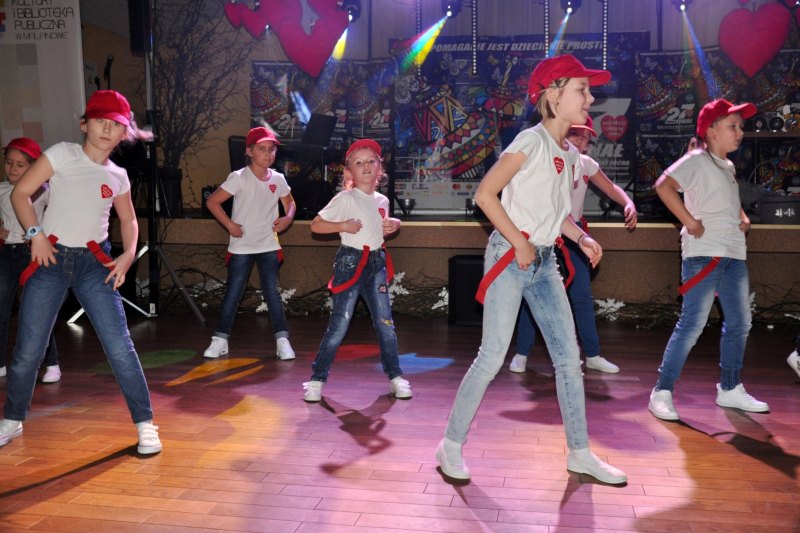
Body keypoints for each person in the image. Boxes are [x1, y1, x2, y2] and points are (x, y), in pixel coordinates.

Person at [436, 55, 627, 485]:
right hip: (510, 255)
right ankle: (450, 444)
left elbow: (557, 215)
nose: (590, 98)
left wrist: (581, 237)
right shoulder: (531, 141)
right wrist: (520, 242)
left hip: (544, 261)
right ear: (554, 95)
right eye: (582, 90)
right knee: (492, 357)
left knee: (569, 359)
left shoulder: (570, 154)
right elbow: (485, 195)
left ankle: (580, 453)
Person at [0, 90, 162, 454]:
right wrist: (35, 235)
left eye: (115, 124)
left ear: (124, 133)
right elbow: (21, 193)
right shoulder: (62, 153)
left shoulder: (118, 175)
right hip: (51, 259)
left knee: (120, 346)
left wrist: (128, 254)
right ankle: (12, 419)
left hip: (95, 265)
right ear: (84, 124)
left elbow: (129, 220)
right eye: (99, 121)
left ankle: (145, 423)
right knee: (29, 349)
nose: (106, 129)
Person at [647, 99, 769, 421]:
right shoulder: (696, 159)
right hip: (704, 255)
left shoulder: (727, 166)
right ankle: (662, 391)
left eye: (741, 127)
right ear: (711, 131)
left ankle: (729, 387)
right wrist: (689, 221)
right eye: (733, 126)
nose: (740, 132)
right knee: (692, 325)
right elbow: (663, 186)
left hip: (733, 255)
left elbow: (724, 200)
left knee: (740, 323)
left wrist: (743, 216)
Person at [509, 117, 637, 375]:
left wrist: (628, 202)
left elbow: (610, 187)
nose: (581, 141)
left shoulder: (585, 163)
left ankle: (593, 354)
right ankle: (522, 352)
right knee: (534, 295)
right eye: (576, 134)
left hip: (574, 234)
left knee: (581, 295)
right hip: (545, 230)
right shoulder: (548, 156)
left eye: (586, 137)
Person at [303, 139, 412, 402]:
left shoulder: (382, 200)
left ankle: (396, 377)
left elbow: (380, 227)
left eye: (371, 161)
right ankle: (317, 379)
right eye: (359, 162)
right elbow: (316, 225)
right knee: (339, 324)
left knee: (385, 324)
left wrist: (395, 224)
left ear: (379, 168)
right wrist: (342, 226)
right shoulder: (345, 198)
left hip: (376, 263)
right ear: (349, 171)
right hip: (350, 263)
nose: (366, 166)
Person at [202, 127, 297, 361]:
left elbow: (290, 203)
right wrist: (230, 225)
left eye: (271, 149)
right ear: (249, 151)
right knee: (234, 292)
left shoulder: (278, 179)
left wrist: (288, 218)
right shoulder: (239, 177)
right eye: (261, 149)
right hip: (242, 246)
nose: (267, 154)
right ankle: (220, 339)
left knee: (272, 292)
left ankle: (282, 340)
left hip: (268, 245)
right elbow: (213, 202)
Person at [0, 138, 61, 383]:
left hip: (33, 254)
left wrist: (41, 235)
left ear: (34, 167)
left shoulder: (44, 191)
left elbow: (58, 216)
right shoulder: (2, 190)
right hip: (6, 253)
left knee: (38, 311)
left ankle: (52, 363)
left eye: (20, 165)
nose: (13, 169)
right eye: (9, 163)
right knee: (1, 308)